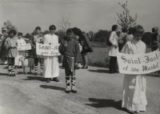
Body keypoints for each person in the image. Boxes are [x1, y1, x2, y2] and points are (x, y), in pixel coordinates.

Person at [121, 25, 147, 114]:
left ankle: (139, 105)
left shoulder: (143, 45)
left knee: (140, 87)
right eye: (137, 35)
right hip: (131, 70)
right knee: (131, 87)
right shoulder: (128, 44)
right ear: (133, 34)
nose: (138, 37)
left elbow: (144, 57)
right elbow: (122, 56)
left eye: (140, 35)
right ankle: (129, 105)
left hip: (139, 71)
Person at [59, 28, 80, 93]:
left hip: (73, 59)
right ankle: (68, 86)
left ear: (73, 34)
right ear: (66, 34)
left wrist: (76, 61)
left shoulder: (75, 42)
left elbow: (77, 52)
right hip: (66, 58)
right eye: (68, 34)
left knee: (73, 73)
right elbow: (60, 50)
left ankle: (73, 86)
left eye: (71, 34)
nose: (70, 36)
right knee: (67, 72)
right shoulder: (63, 41)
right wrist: (64, 49)